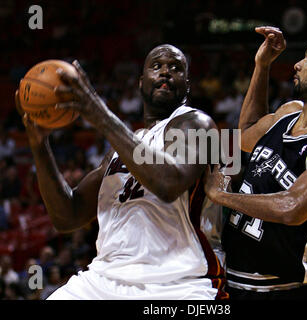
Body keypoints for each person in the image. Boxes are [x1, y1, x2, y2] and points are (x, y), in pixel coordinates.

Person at [15, 44, 227, 300]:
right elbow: (67, 217)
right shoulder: (120, 148)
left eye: (176, 68)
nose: (165, 72)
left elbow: (168, 184)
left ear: (187, 85)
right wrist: (40, 145)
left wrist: (98, 112)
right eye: (156, 66)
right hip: (102, 280)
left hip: (176, 284)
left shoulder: (197, 124)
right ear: (141, 82)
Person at [204, 26, 307, 300]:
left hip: (291, 289)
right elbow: (246, 134)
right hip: (236, 281)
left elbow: (293, 207)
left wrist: (219, 195)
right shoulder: (288, 113)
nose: (297, 64)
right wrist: (262, 65)